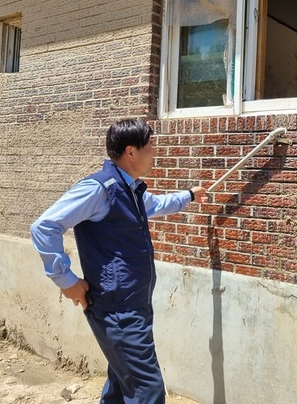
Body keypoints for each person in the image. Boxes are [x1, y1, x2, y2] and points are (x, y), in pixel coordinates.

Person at [31, 118, 208, 404]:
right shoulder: (99, 189)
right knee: (146, 390)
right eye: (150, 147)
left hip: (133, 303)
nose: (155, 153)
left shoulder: (129, 189)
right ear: (131, 152)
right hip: (118, 309)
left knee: (121, 384)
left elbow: (157, 205)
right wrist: (67, 281)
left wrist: (188, 195)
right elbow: (44, 227)